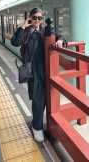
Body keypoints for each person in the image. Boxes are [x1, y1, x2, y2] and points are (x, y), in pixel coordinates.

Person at [11, 8, 62, 142]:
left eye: (40, 18)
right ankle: (37, 127)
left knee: (48, 99)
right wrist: (22, 26)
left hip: (46, 71)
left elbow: (57, 35)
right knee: (38, 101)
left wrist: (60, 40)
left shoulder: (44, 30)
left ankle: (47, 126)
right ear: (30, 18)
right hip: (33, 73)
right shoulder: (26, 32)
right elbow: (14, 42)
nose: (37, 21)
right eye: (35, 18)